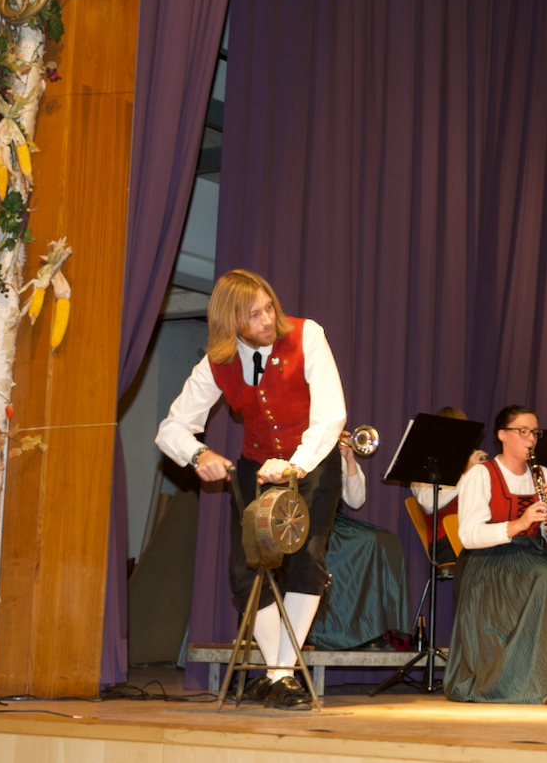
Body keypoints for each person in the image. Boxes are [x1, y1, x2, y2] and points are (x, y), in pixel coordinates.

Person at [156, 270, 346, 709]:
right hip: (255, 467)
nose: (267, 319)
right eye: (254, 315)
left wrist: (295, 464)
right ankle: (282, 676)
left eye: (268, 307)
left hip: (312, 461)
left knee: (307, 559)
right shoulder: (216, 363)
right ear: (232, 322)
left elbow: (330, 415)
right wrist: (198, 454)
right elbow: (171, 428)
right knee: (245, 571)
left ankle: (279, 674)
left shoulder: (307, 335)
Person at [444, 405, 547, 703]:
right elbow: (468, 536)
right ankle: (538, 681)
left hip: (533, 555)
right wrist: (518, 524)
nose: (531, 439)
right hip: (490, 562)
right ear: (502, 435)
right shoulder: (481, 475)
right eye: (522, 431)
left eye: (534, 432)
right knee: (546, 581)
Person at [306, 435, 411, 652]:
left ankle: (380, 628)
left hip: (332, 521)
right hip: (306, 521)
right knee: (367, 543)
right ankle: (349, 631)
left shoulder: (339, 456)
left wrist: (349, 459)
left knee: (388, 542)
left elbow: (356, 500)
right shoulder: (304, 450)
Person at [409, 406, 486, 565]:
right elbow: (429, 504)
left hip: (474, 534)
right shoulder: (424, 467)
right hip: (445, 540)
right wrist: (466, 475)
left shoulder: (471, 463)